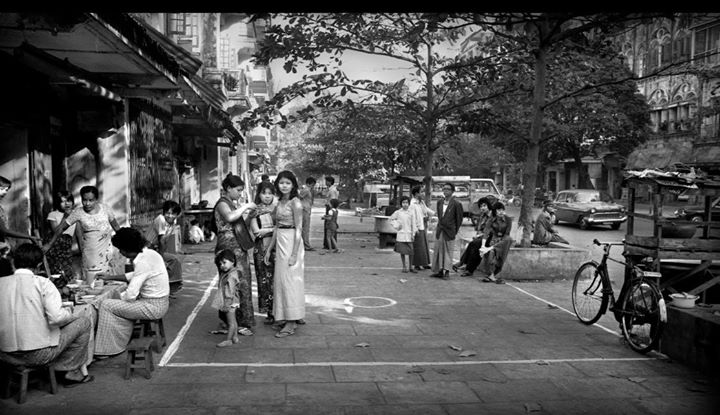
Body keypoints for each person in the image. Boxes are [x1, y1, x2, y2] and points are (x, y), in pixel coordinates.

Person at [0, 243, 94, 387]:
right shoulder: (42, 283)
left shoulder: (1, 283)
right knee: (83, 322)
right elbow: (56, 318)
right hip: (37, 356)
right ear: (39, 265)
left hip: (5, 355)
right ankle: (68, 370)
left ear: (14, 262)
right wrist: (68, 313)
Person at [93, 227, 169, 357]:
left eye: (121, 250)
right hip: (161, 303)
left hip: (153, 307)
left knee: (106, 305)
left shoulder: (142, 261)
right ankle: (118, 338)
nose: (121, 253)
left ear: (128, 248)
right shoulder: (151, 254)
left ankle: (107, 349)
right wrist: (109, 277)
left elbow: (130, 295)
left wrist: (118, 297)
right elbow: (135, 275)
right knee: (115, 298)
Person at [45, 185, 122, 283]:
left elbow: (116, 226)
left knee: (109, 278)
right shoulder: (78, 212)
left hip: (107, 249)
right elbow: (61, 228)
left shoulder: (105, 209)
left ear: (96, 199)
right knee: (93, 279)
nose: (87, 203)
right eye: (84, 200)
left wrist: (124, 244)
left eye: (91, 200)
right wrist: (49, 244)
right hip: (90, 251)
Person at [214, 174, 257, 336]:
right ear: (228, 189)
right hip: (227, 249)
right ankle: (230, 322)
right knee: (230, 285)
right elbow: (230, 217)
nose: (240, 193)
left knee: (243, 283)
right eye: (238, 190)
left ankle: (242, 320)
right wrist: (246, 206)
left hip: (239, 248)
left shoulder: (232, 204)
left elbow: (239, 225)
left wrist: (250, 216)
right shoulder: (222, 204)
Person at [264, 170, 305, 338]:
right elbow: (277, 227)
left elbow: (299, 228)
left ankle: (291, 321)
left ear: (293, 185)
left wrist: (295, 254)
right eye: (281, 183)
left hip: (292, 243)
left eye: (288, 183)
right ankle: (283, 316)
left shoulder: (296, 203)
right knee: (280, 281)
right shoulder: (279, 202)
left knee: (290, 282)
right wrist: (269, 249)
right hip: (280, 240)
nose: (284, 186)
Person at [0, 175, 42, 276]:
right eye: (2, 189)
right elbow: (4, 230)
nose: (5, 192)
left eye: (6, 190)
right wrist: (28, 237)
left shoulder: (1, 206)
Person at [250, 181, 277, 325]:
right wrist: (274, 229)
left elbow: (283, 227)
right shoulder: (255, 210)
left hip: (277, 248)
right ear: (258, 194)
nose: (267, 196)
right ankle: (269, 312)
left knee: (277, 281)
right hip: (261, 249)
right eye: (264, 193)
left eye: (270, 193)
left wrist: (268, 230)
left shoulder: (279, 208)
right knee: (264, 281)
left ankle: (280, 311)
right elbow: (256, 232)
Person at [145, 200, 184, 294]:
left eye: (173, 213)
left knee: (174, 261)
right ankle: (166, 286)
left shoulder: (172, 224)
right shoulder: (161, 219)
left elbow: (165, 241)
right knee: (167, 262)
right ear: (164, 212)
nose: (170, 216)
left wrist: (162, 255)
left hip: (155, 249)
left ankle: (172, 285)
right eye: (167, 213)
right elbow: (162, 240)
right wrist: (161, 258)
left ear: (177, 214)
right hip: (147, 248)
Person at [45, 190, 82, 287]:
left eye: (69, 201)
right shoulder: (53, 214)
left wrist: (82, 250)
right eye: (63, 201)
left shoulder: (76, 214)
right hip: (56, 247)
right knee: (57, 272)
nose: (67, 204)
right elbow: (56, 231)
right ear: (58, 203)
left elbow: (78, 234)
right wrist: (65, 217)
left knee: (69, 272)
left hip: (68, 247)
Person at [430, 183, 464, 280]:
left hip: (450, 231)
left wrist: (454, 230)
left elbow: (459, 219)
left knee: (448, 251)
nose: (445, 191)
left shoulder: (457, 204)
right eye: (444, 189)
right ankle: (439, 270)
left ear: (452, 191)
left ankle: (447, 271)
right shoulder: (439, 202)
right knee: (438, 249)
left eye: (448, 189)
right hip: (440, 229)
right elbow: (440, 217)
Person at [453, 197, 492, 277]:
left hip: (491, 238)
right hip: (482, 238)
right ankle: (466, 266)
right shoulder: (482, 216)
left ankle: (466, 266)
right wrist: (478, 236)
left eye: (484, 206)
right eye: (481, 206)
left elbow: (491, 230)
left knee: (475, 244)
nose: (482, 208)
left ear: (489, 206)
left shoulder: (492, 216)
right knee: (473, 244)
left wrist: (480, 236)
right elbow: (479, 229)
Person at [477, 202, 513, 284]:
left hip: (504, 240)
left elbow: (507, 234)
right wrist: (483, 246)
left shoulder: (508, 219)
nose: (501, 212)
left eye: (502, 210)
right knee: (491, 254)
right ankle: (491, 275)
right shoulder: (491, 219)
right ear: (495, 211)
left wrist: (489, 247)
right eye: (499, 210)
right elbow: (486, 232)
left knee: (508, 240)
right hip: (494, 239)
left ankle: (492, 275)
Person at [211, 249, 241, 347]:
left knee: (230, 323)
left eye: (224, 262)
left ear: (232, 261)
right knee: (233, 321)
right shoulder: (232, 272)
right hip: (234, 301)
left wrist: (227, 304)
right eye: (220, 264)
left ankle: (228, 340)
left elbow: (230, 291)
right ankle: (235, 336)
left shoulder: (231, 276)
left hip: (230, 301)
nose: (222, 265)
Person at [409, 186, 434, 271]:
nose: (423, 193)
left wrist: (435, 213)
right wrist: (415, 229)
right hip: (417, 227)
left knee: (424, 246)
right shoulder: (412, 204)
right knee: (418, 246)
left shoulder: (421, 202)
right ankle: (417, 264)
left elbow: (426, 210)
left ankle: (425, 263)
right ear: (416, 194)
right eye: (421, 192)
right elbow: (412, 217)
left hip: (423, 225)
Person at [390, 196, 417, 273]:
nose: (405, 204)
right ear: (401, 204)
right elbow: (391, 219)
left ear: (409, 204)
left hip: (409, 234)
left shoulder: (411, 213)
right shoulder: (398, 212)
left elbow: (413, 224)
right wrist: (397, 226)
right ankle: (404, 266)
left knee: (411, 251)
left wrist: (413, 234)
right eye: (403, 202)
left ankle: (411, 266)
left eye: (406, 203)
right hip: (401, 234)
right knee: (402, 251)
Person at [298, 176, 316, 251]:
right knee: (305, 228)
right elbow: (300, 197)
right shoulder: (306, 190)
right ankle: (306, 245)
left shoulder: (306, 190)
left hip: (306, 209)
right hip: (305, 209)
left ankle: (304, 244)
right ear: (310, 184)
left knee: (305, 228)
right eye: (313, 184)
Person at [323, 176, 339, 249]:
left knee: (329, 226)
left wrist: (330, 207)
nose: (326, 183)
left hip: (330, 207)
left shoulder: (332, 190)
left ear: (329, 182)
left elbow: (332, 200)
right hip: (330, 207)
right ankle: (328, 244)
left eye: (327, 181)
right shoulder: (329, 189)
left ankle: (330, 245)